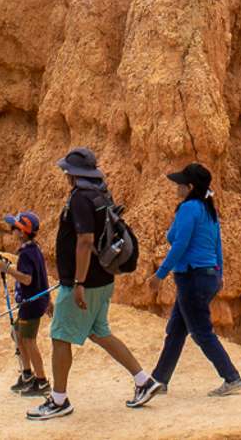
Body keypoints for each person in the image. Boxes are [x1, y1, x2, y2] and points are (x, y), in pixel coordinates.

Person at [27, 147, 158, 422]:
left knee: (60, 337)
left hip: (84, 283)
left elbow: (85, 241)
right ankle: (143, 380)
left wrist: (78, 282)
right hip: (103, 279)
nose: (64, 174)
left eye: (66, 171)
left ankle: (59, 400)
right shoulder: (100, 194)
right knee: (100, 332)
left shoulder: (81, 199)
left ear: (72, 173)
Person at [127, 162, 241, 408]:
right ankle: (160, 379)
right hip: (207, 275)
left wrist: (159, 275)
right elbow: (216, 245)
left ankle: (232, 377)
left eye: (180, 184)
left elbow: (178, 244)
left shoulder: (189, 208)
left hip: (192, 277)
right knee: (177, 330)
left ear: (190, 187)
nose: (176, 187)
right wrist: (219, 274)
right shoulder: (208, 209)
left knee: (201, 332)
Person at [0, 211, 51, 398]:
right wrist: (48, 300)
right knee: (17, 333)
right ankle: (27, 374)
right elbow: (42, 276)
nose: (12, 230)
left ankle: (42, 381)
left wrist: (8, 269)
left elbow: (27, 279)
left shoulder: (27, 254)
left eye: (14, 228)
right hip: (33, 302)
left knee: (29, 340)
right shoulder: (34, 249)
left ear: (22, 232)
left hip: (31, 304)